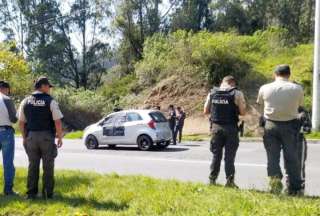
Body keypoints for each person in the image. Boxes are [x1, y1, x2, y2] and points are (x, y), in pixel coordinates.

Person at [256, 65, 304, 195]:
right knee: (292, 158)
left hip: (270, 125)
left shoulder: (264, 88)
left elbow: (259, 107)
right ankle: (295, 188)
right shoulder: (297, 88)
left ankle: (275, 186)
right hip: (290, 125)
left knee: (272, 158)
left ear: (274, 74)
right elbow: (300, 106)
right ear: (289, 74)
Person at [18, 77, 64, 199]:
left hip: (31, 137)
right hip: (46, 137)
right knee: (48, 166)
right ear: (43, 86)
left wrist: (24, 138)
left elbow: (21, 123)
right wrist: (59, 137)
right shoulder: (51, 101)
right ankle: (48, 194)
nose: (49, 89)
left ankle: (31, 194)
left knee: (32, 165)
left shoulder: (25, 101)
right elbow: (57, 122)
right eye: (48, 86)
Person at [204, 76, 246, 187]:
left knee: (216, 155)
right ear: (232, 83)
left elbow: (205, 111)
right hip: (231, 128)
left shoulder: (212, 93)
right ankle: (230, 181)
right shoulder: (237, 93)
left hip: (216, 128)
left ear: (222, 82)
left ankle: (212, 180)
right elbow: (242, 112)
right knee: (229, 157)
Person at [0, 81, 18, 195]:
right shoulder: (6, 99)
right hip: (5, 132)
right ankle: (8, 189)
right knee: (8, 162)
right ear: (5, 89)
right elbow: (14, 119)